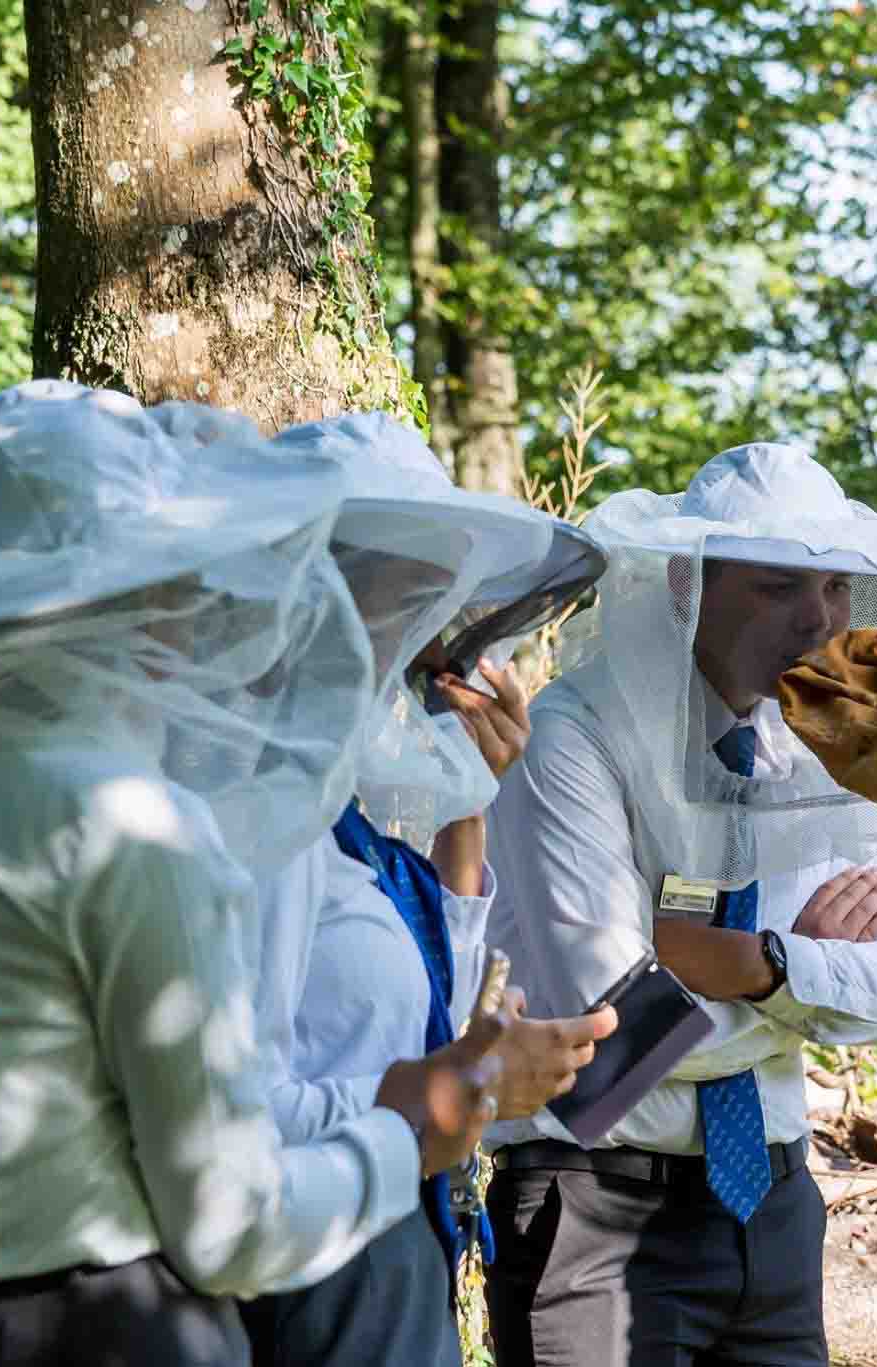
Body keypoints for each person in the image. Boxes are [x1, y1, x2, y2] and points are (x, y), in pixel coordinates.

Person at [0, 384, 503, 1367]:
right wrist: (411, 1130)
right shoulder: (132, 827)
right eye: (190, 580)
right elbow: (230, 1223)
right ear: (147, 598)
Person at [481, 443, 877, 1367]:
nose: (819, 619)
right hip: (597, 1213)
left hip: (777, 1209)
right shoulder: (574, 740)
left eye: (835, 587)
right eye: (778, 586)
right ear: (688, 583)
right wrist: (799, 997)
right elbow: (611, 1039)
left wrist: (764, 964)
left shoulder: (816, 752)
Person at [235, 413, 619, 1367]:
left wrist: (470, 804)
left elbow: (431, 1021)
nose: (422, 638)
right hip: (312, 1266)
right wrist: (456, 1091)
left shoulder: (341, 815)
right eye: (406, 597)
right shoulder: (256, 811)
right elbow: (229, 1117)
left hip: (396, 1251)